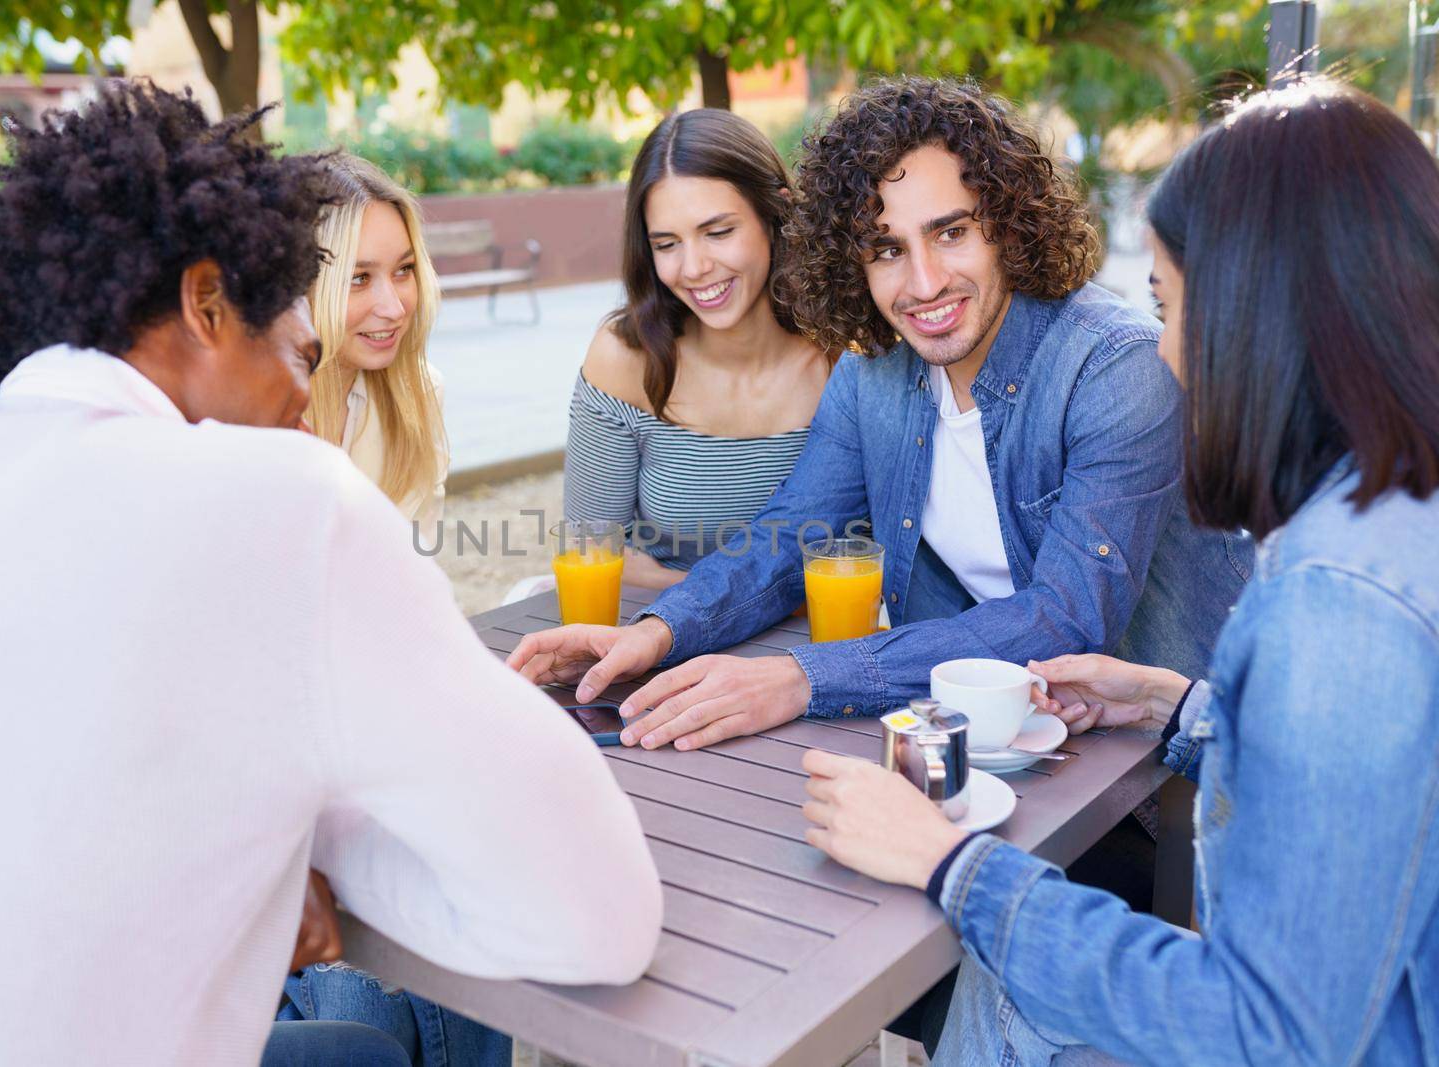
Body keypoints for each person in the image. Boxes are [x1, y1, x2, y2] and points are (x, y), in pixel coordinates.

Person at [0, 83, 662, 1065]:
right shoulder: (280, 501)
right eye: (298, 353)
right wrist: (298, 850)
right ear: (206, 302)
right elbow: (599, 915)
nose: (302, 404)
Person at [801, 78, 1439, 1065]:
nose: (1169, 354)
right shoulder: (1389, 517)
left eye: (1172, 309)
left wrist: (950, 864)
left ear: (1264, 320)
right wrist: (1181, 706)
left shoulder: (1336, 606)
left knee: (1002, 968)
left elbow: (1272, 1031)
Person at [508, 76, 1249, 754]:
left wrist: (802, 677)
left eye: (951, 232)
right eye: (886, 248)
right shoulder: (874, 371)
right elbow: (790, 533)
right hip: (988, 742)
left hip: (1168, 776)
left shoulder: (1114, 367)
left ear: (1009, 223)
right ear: (849, 261)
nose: (923, 282)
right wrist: (656, 631)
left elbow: (1066, 616)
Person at [563, 108, 834, 589]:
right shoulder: (625, 358)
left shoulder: (843, 358)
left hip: (817, 649)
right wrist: (726, 601)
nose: (693, 268)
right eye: (667, 244)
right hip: (664, 639)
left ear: (776, 215)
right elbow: (590, 548)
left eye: (718, 232)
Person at [303, 154, 448, 551]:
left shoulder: (419, 394)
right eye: (359, 278)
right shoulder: (251, 416)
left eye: (403, 270)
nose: (395, 306)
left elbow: (412, 574)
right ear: (301, 286)